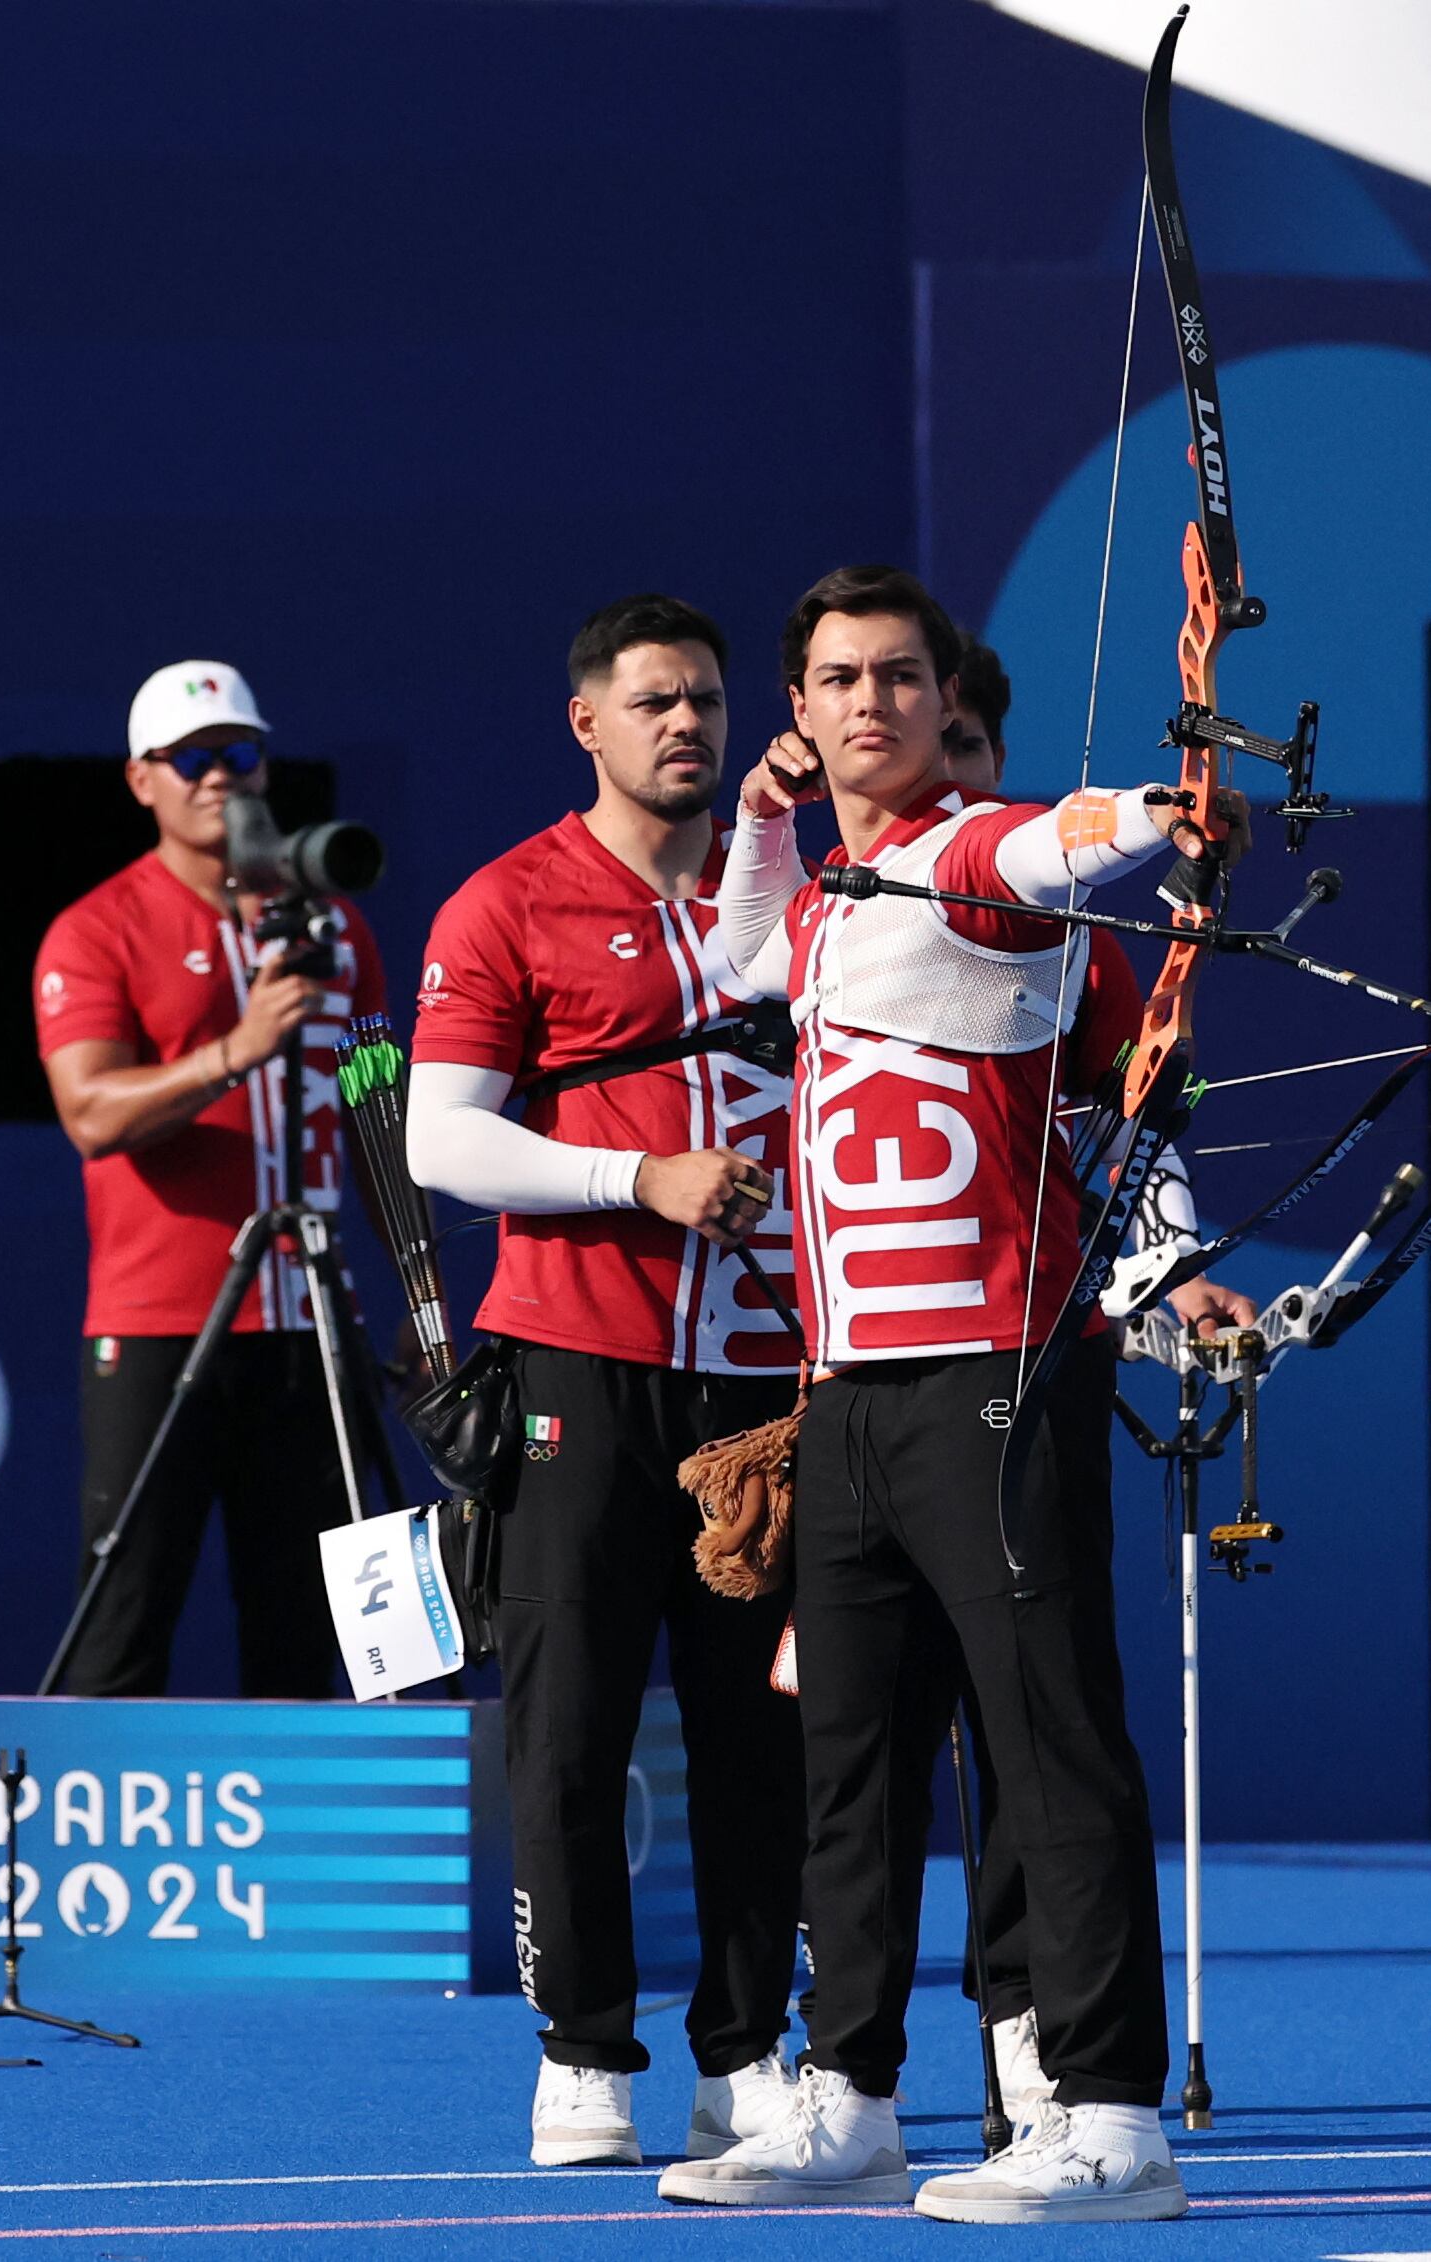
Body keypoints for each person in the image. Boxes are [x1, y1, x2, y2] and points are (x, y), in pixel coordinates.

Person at [658, 563, 1254, 2223]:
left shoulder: (968, 853)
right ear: (796, 709)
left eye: (897, 677)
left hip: (989, 1383)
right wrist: (773, 820)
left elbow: (1056, 841)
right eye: (836, 678)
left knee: (1049, 1745)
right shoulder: (830, 890)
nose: (868, 702)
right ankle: (845, 2092)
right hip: (844, 1402)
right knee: (846, 1760)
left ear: (940, 703)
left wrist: (1163, 807)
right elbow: (746, 950)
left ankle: (1111, 2117)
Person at [406, 594, 807, 2172]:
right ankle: (580, 2046)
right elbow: (441, 1136)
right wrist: (641, 1178)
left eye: (704, 698)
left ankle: (743, 2052)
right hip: (578, 1358)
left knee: (757, 1735)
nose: (684, 725)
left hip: (762, 1376)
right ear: (587, 720)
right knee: (566, 1725)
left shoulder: (782, 891)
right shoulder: (505, 900)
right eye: (651, 701)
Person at [943, 632, 1254, 2125]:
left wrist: (1167, 1274)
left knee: (1030, 1711)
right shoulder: (792, 927)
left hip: (1018, 1368)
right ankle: (816, 2051)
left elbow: (1129, 1141)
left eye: (963, 750)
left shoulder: (1073, 943)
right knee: (842, 1728)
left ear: (991, 766)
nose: (940, 776)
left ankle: (1026, 2021)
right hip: (836, 1372)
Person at [34, 659, 386, 1699]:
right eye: (190, 759)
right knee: (125, 1621)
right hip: (161, 1328)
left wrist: (416, 1303)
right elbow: (90, 1115)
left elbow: (373, 1103)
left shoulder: (332, 924)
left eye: (239, 753)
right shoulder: (97, 928)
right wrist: (234, 1052)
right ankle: (84, 1856)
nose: (219, 777)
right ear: (141, 779)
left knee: (307, 1636)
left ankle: (295, 1860)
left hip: (311, 1325)